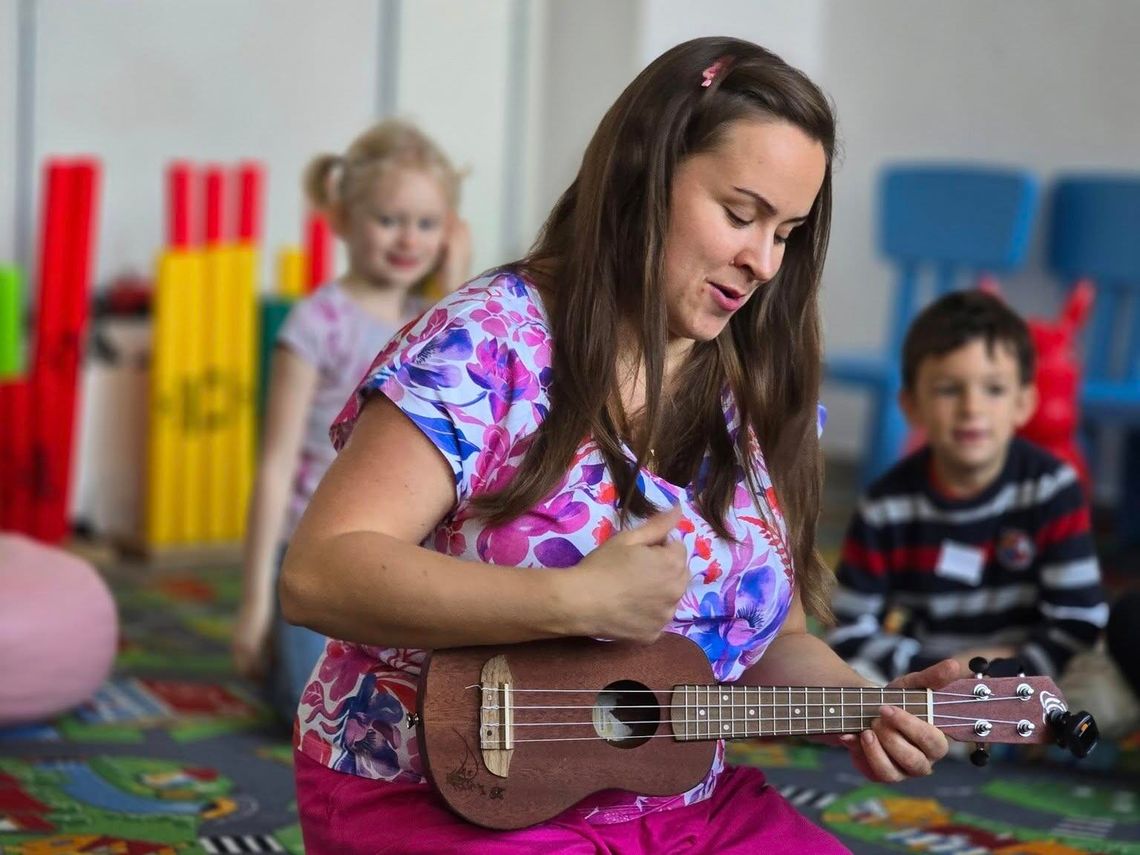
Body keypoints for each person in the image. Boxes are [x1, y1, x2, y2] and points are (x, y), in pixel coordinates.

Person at [281, 37, 955, 854]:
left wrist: (861, 705)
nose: (761, 261)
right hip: (444, 786)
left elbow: (771, 642)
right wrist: (569, 603)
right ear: (644, 171)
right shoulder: (491, 341)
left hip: (673, 804)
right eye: (740, 214)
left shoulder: (766, 397)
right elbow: (319, 571)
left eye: (787, 232)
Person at [231, 119, 471, 722]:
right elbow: (275, 463)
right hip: (319, 546)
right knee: (319, 706)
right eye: (389, 219)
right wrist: (254, 602)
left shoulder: (435, 321)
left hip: (401, 544)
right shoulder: (315, 324)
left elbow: (472, 402)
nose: (407, 239)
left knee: (436, 699)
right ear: (341, 220)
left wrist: (459, 269)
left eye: (426, 224)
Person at [828, 290, 1108, 687]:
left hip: (1025, 674)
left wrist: (1006, 670)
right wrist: (945, 672)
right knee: (854, 683)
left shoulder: (1052, 489)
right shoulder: (884, 506)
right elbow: (848, 632)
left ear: (1024, 403)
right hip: (924, 680)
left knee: (1096, 683)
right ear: (911, 406)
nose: (971, 408)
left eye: (993, 389)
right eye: (948, 389)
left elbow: (1080, 622)